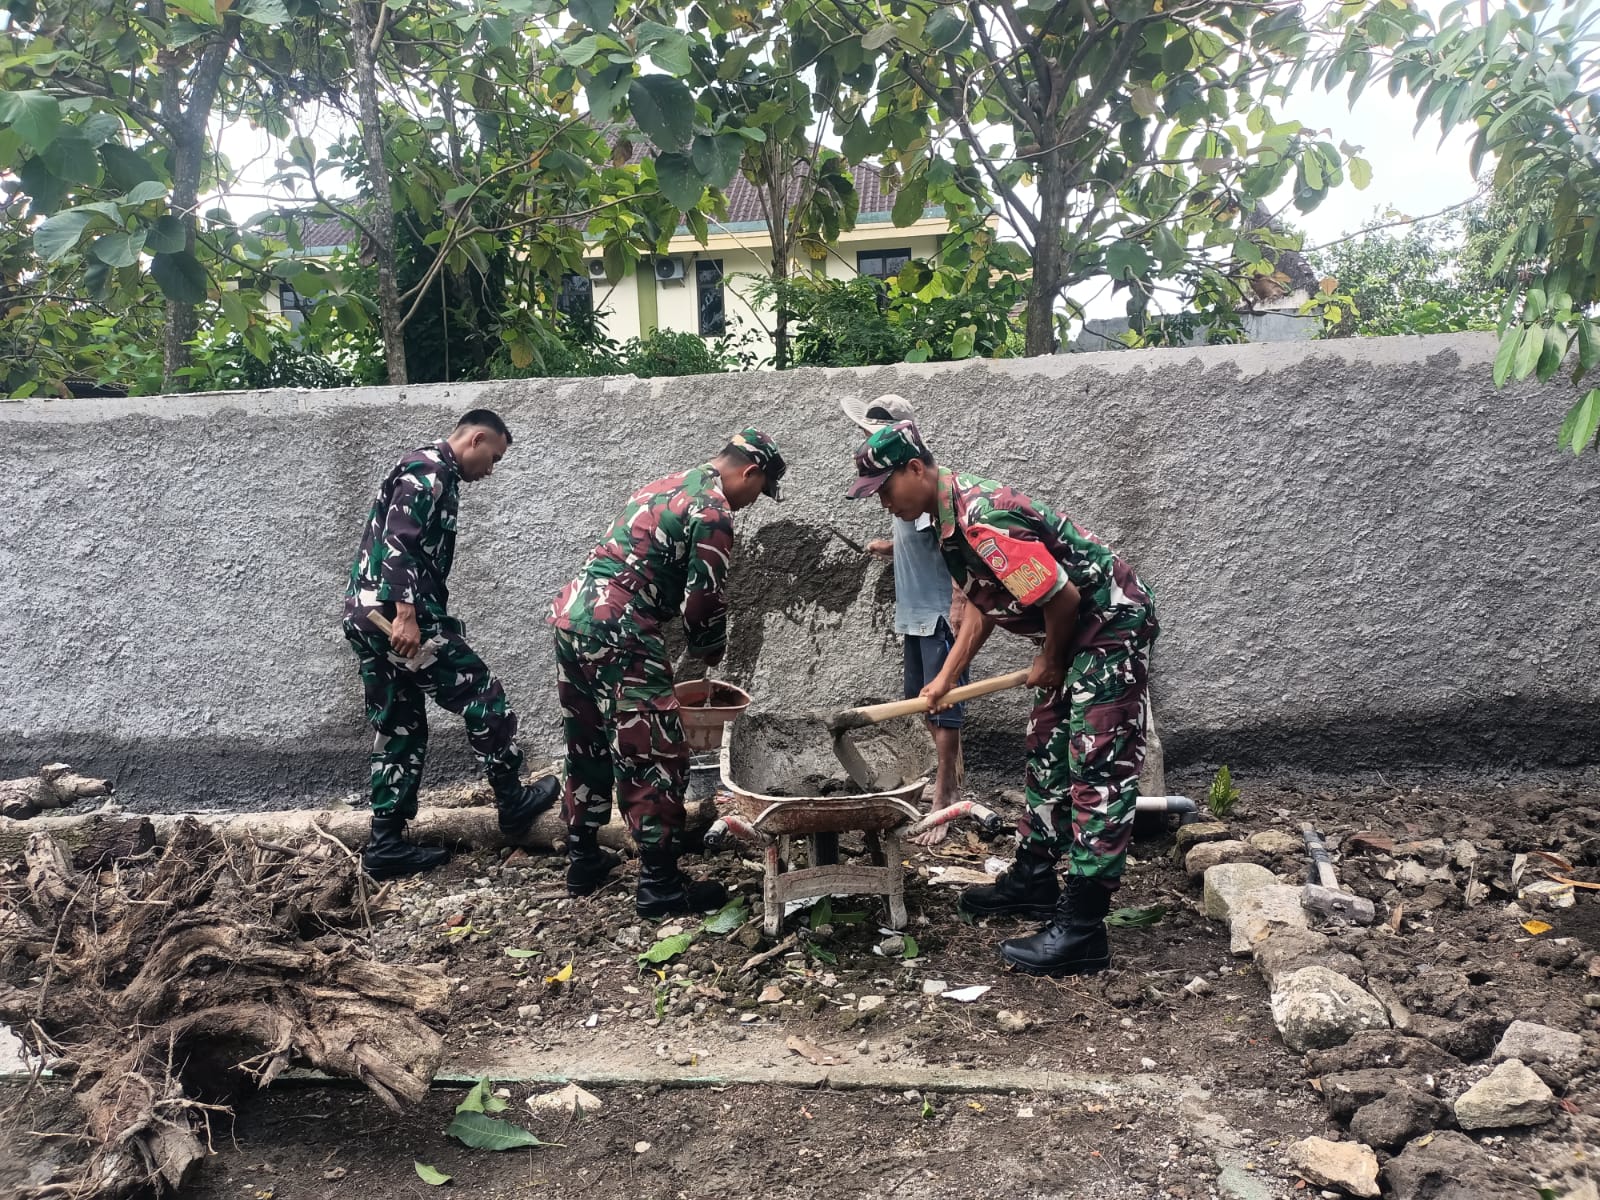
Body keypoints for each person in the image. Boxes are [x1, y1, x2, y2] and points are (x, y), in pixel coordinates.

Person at [844, 420, 1158, 977]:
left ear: (916, 469)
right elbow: (984, 602)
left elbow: (1060, 595)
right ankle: (1035, 878)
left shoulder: (983, 517)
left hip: (1106, 627)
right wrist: (945, 676)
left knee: (1096, 768)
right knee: (1045, 749)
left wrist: (1053, 659)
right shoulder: (944, 525)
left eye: (884, 489)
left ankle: (1083, 929)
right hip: (1071, 633)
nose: (884, 503)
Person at [550, 429, 785, 917]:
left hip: (573, 616)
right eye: (758, 491)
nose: (752, 503)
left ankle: (583, 857)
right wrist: (711, 646)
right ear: (750, 471)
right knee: (653, 749)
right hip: (620, 627)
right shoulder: (714, 510)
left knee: (587, 738)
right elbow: (704, 600)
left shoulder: (662, 485)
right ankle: (660, 886)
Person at [343, 409, 557, 880]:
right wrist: (405, 615)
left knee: (400, 724)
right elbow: (401, 543)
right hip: (393, 619)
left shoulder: (433, 472)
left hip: (366, 616)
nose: (492, 469)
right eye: (494, 457)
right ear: (476, 439)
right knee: (483, 696)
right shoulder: (429, 470)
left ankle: (386, 844)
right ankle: (512, 800)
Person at [839, 394, 970, 846]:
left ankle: (944, 800)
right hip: (913, 612)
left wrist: (958, 604)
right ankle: (942, 786)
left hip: (937, 612)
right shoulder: (896, 487)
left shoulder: (928, 488)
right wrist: (887, 545)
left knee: (944, 708)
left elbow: (957, 546)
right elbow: (920, 538)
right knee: (922, 703)